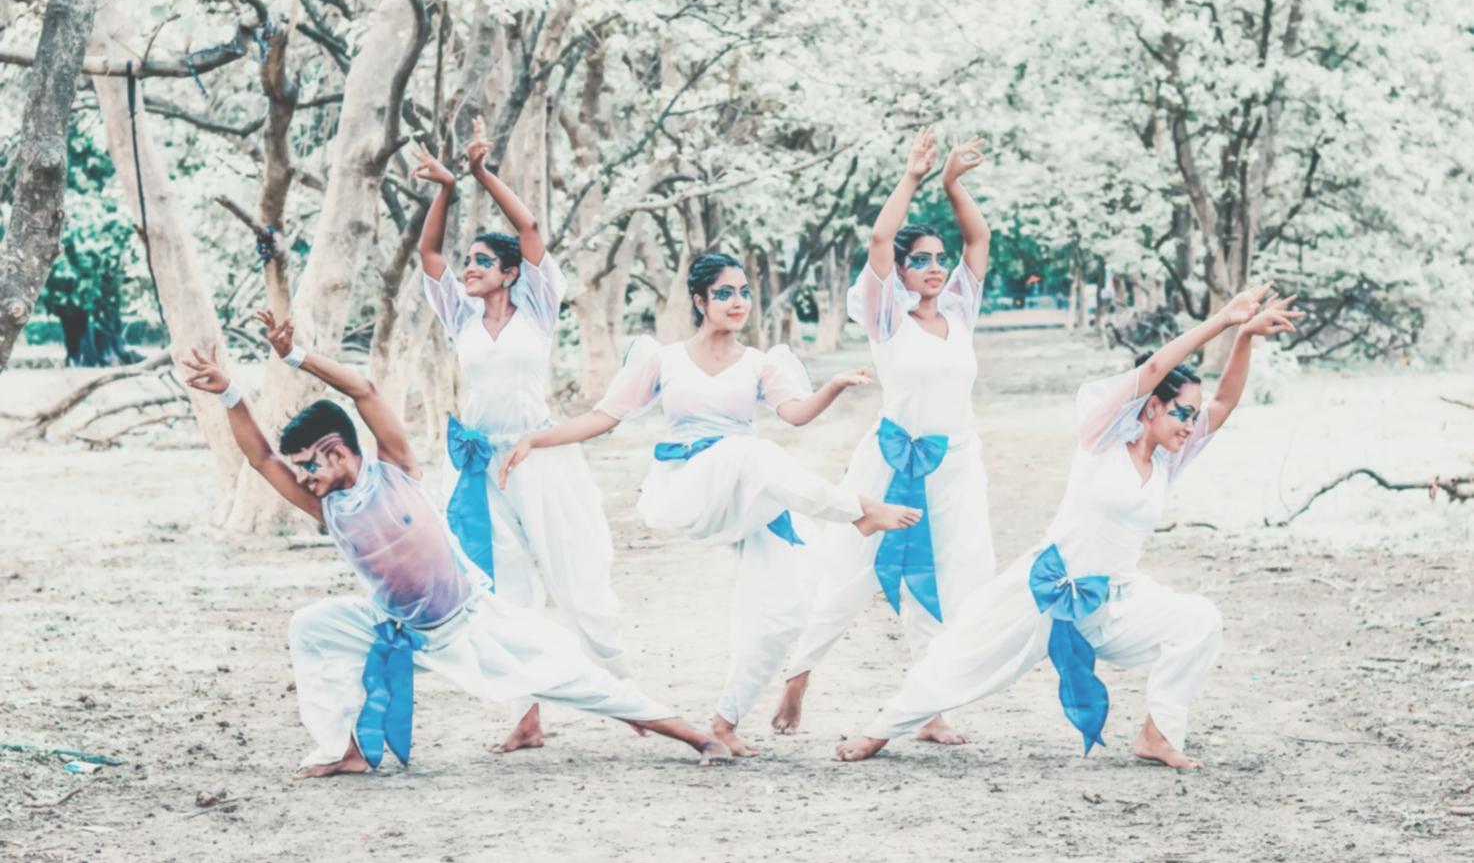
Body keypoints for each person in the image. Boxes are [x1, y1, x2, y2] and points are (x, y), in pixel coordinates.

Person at [180, 312, 730, 779]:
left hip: (472, 622)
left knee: (577, 681)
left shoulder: (395, 470)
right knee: (313, 627)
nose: (300, 479)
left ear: (334, 450)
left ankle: (695, 736)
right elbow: (261, 460)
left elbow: (363, 391)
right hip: (397, 628)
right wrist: (230, 393)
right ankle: (343, 750)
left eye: (307, 466)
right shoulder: (326, 507)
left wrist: (298, 355)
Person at [833, 283, 1303, 768]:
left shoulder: (1169, 460)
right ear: (1151, 407)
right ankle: (879, 731)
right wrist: (1222, 320)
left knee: (1199, 620)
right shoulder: (1101, 437)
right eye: (1181, 411)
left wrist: (1245, 337)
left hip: (1113, 603)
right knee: (963, 660)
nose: (1190, 423)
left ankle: (1158, 734)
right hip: (1046, 587)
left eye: (1191, 416)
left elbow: (1223, 404)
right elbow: (1157, 368)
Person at [499, 253, 922, 757]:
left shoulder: (761, 363)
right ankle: (858, 511)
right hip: (686, 488)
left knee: (784, 604)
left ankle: (726, 720)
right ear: (700, 301)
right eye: (724, 293)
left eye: (743, 292)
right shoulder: (664, 359)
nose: (737, 302)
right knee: (751, 451)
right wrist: (537, 440)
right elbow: (605, 417)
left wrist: (832, 385)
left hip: (744, 490)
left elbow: (795, 415)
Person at [412, 119, 631, 754]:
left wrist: (483, 174)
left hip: (540, 453)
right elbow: (429, 257)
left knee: (576, 577)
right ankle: (527, 715)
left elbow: (530, 231)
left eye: (482, 262)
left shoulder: (537, 306)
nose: (469, 269)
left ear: (510, 273)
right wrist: (447, 189)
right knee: (508, 592)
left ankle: (630, 696)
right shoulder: (459, 316)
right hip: (482, 464)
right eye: (470, 262)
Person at [776, 128, 998, 745]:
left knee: (949, 576)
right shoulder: (885, 315)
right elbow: (878, 238)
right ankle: (799, 673)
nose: (932, 268)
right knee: (855, 570)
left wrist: (955, 184)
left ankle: (929, 708)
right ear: (899, 272)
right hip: (891, 456)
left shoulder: (958, 310)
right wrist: (914, 176)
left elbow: (977, 238)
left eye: (936, 259)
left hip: (955, 464)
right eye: (918, 261)